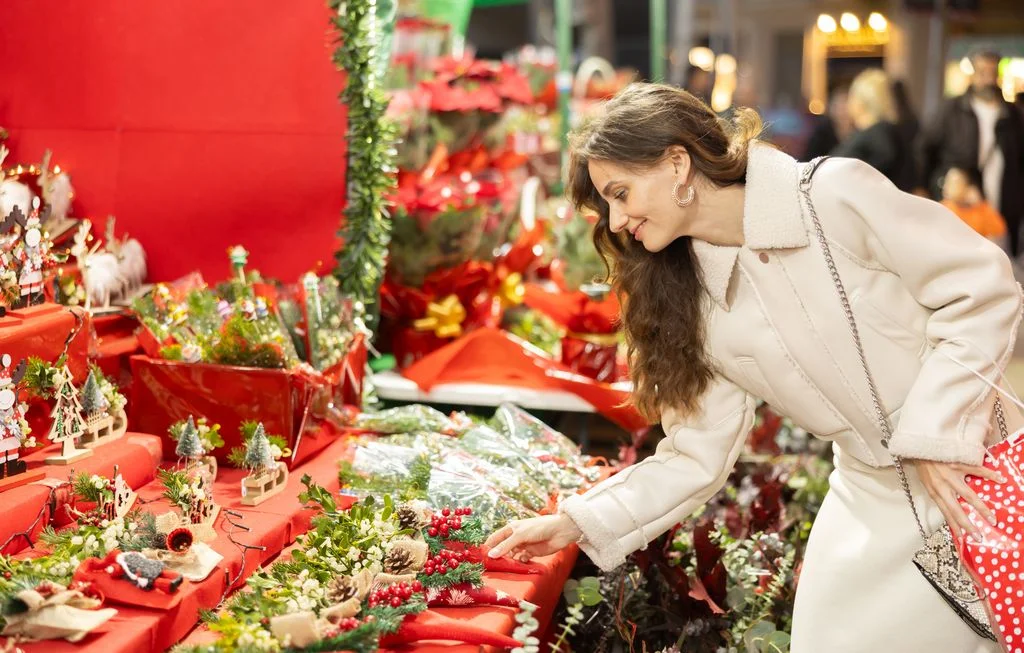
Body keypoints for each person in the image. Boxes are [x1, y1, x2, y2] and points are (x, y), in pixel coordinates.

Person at [485, 82, 1021, 653]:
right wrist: (576, 521)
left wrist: (936, 434)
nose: (615, 221)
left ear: (676, 163)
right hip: (867, 502)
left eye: (620, 193)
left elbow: (980, 288)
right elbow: (694, 454)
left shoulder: (834, 195)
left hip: (977, 474)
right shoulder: (688, 301)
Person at [918, 48, 1024, 257]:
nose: (987, 79)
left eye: (992, 72)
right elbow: (925, 149)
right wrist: (929, 188)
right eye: (982, 71)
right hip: (961, 203)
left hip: (1002, 204)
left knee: (999, 255)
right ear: (973, 73)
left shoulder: (1012, 115)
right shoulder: (951, 110)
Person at [831, 68, 908, 187]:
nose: (848, 103)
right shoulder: (884, 131)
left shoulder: (877, 134)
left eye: (852, 96)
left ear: (862, 100)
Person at [941, 166, 1008, 249]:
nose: (945, 186)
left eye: (952, 183)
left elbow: (998, 237)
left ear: (966, 186)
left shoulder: (983, 210)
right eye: (946, 182)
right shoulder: (942, 208)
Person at [801, 84, 851, 161]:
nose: (843, 112)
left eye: (846, 107)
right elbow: (808, 160)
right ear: (831, 108)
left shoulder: (860, 131)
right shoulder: (821, 132)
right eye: (839, 107)